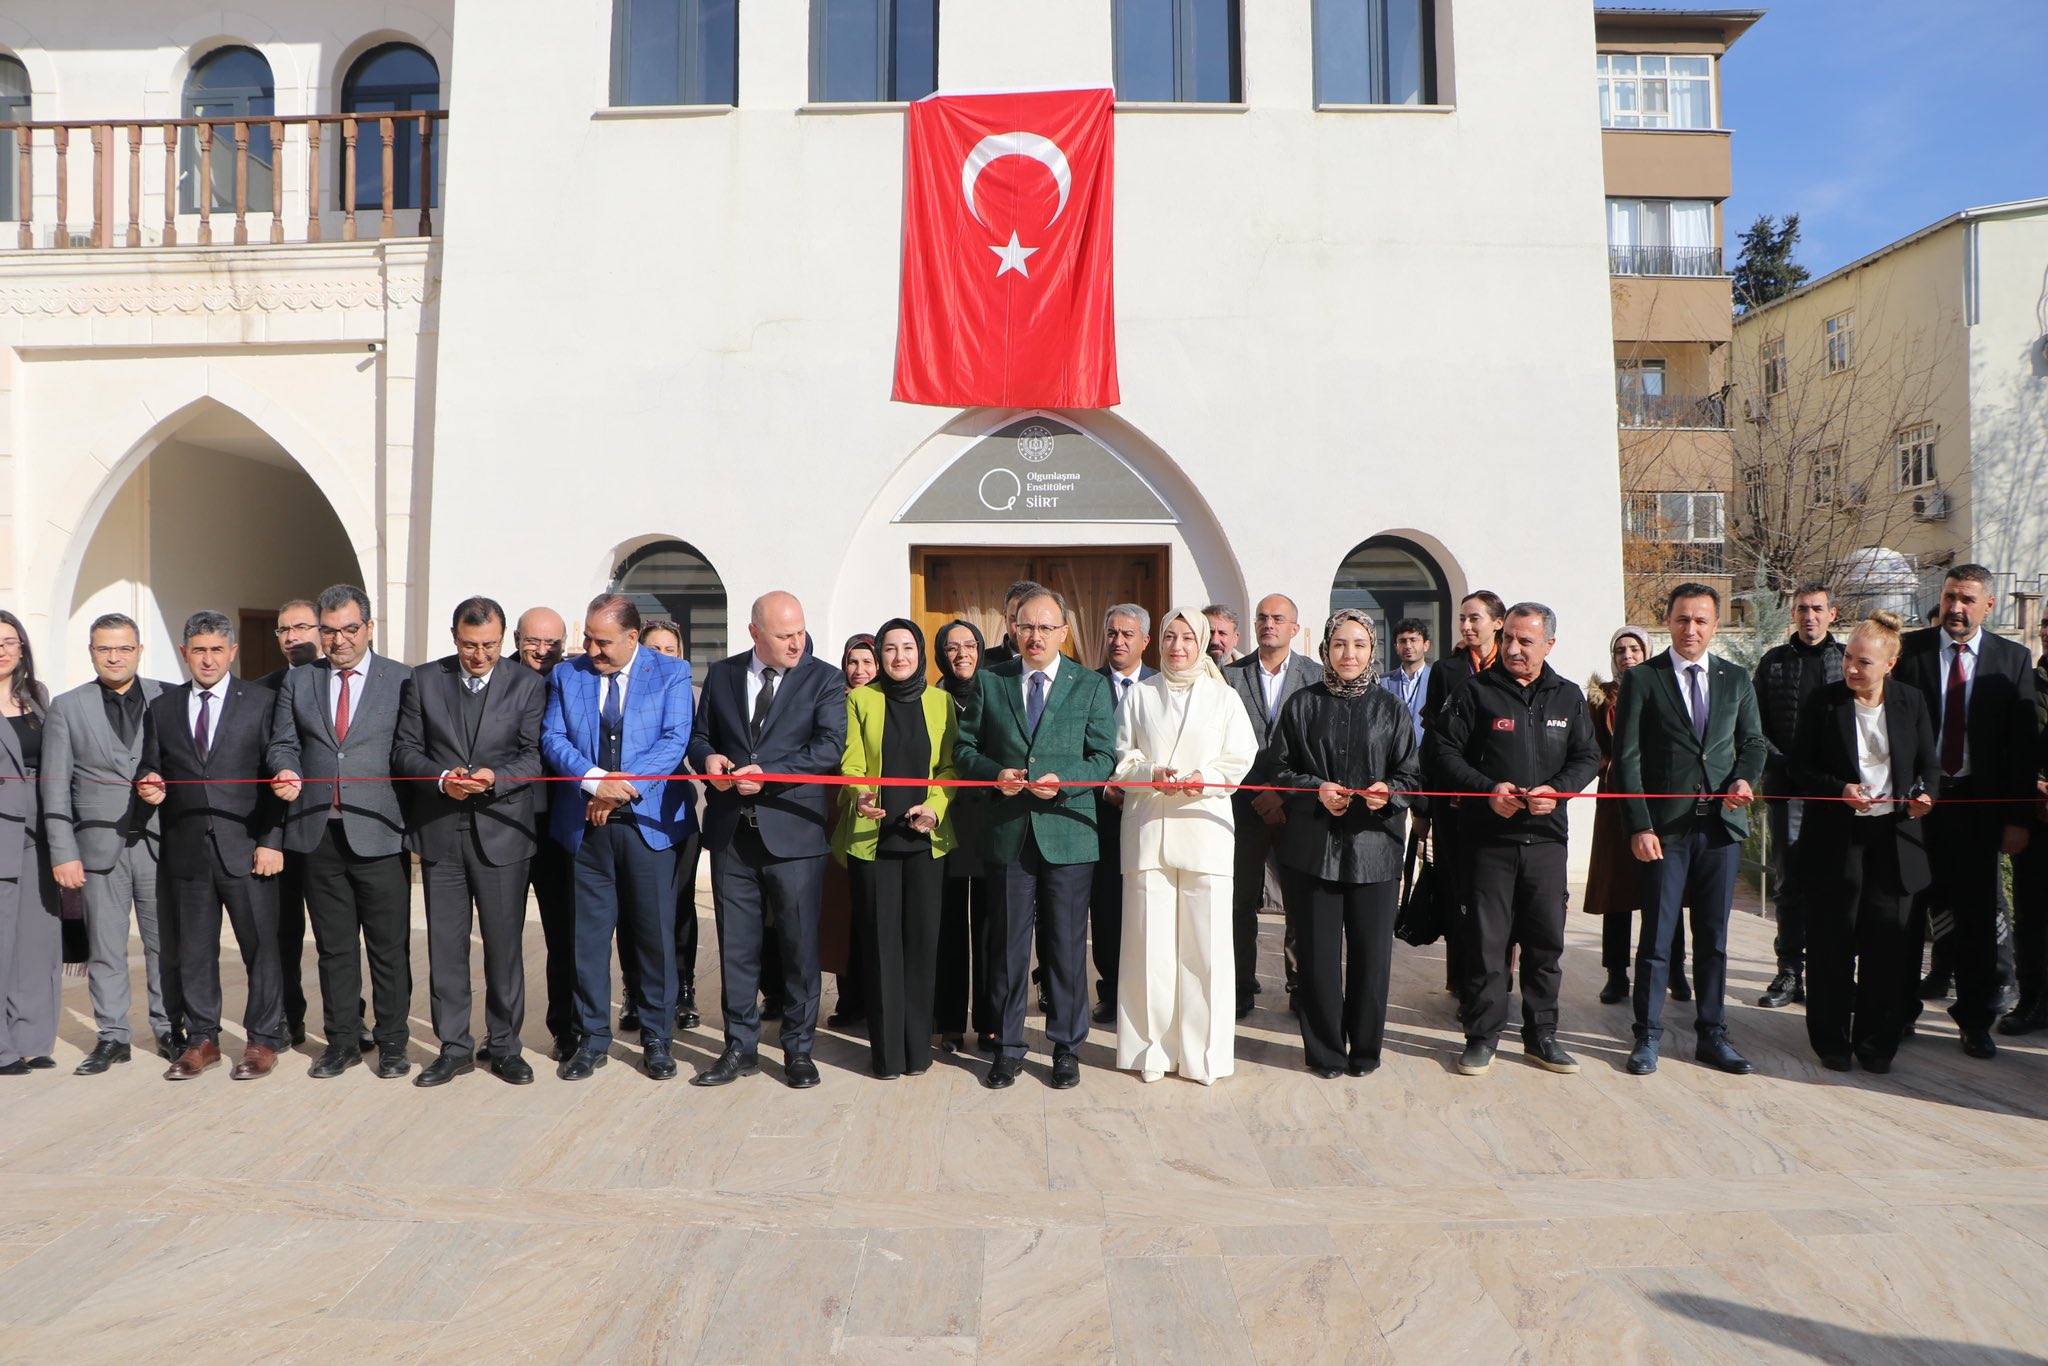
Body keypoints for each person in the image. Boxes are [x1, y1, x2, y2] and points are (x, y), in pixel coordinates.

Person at [1426, 602, 1599, 1076]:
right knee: (1486, 945)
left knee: (1545, 944)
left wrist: (1558, 791)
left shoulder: (1567, 697)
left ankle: (1542, 1036)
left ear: (1549, 645)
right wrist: (1487, 792)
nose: (1515, 649)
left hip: (1545, 841)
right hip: (1488, 842)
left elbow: (1587, 757)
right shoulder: (1473, 692)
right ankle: (1482, 1036)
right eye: (1509, 639)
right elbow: (1440, 752)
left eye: (1526, 641)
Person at [955, 587, 1116, 1090]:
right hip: (1008, 833)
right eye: (1027, 627)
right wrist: (993, 773)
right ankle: (1007, 1047)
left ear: (1064, 633)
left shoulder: (1089, 685)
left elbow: (1104, 756)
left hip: (1068, 832)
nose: (1036, 636)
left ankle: (1067, 1047)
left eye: (1047, 627)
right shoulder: (990, 681)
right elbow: (964, 750)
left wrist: (1063, 781)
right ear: (1013, 630)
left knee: (1066, 948)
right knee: (1007, 947)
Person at [688, 591, 845, 1088]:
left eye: (800, 631)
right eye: (784, 635)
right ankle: (740, 1047)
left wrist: (770, 774)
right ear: (755, 633)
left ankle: (798, 1048)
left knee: (799, 948)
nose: (797, 642)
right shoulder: (723, 674)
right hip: (733, 833)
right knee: (736, 946)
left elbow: (828, 748)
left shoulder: (824, 678)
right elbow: (699, 737)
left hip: (795, 834)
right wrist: (708, 760)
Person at [1611, 582, 1767, 1077]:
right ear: (1669, 621)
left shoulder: (1736, 679)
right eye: (1682, 619)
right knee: (1657, 937)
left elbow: (1754, 742)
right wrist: (1639, 824)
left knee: (1714, 938)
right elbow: (1627, 760)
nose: (1691, 629)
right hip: (1666, 831)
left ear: (1715, 625)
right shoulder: (1644, 679)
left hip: (1719, 830)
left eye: (1701, 620)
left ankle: (1712, 1033)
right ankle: (1647, 1036)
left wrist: (1745, 777)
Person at [393, 596, 548, 1087]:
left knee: (503, 948)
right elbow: (404, 750)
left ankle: (504, 1046)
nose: (479, 655)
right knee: (446, 947)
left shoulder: (526, 684)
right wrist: (441, 779)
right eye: (468, 645)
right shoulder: (423, 680)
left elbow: (533, 758)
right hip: (441, 831)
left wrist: (494, 778)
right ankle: (454, 1047)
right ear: (453, 637)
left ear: (503, 640)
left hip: (502, 832)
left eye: (489, 645)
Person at [541, 593, 695, 1081]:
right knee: (588, 940)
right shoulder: (569, 675)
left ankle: (656, 1037)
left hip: (648, 825)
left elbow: (674, 740)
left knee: (653, 937)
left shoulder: (670, 673)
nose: (592, 648)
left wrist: (618, 790)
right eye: (587, 637)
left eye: (603, 640)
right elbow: (553, 738)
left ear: (632, 637)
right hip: (586, 829)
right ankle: (591, 1039)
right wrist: (593, 780)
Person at [267, 584, 413, 1080]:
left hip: (378, 830)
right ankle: (343, 1040)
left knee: (388, 947)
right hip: (316, 833)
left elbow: (410, 750)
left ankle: (393, 1042)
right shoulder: (300, 681)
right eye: (328, 631)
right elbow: (283, 744)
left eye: (350, 629)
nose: (339, 640)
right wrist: (284, 769)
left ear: (369, 629)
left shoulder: (400, 679)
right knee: (334, 948)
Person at [136, 612, 289, 1081]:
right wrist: (148, 784)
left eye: (216, 650)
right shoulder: (162, 707)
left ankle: (263, 1039)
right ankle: (203, 1039)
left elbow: (278, 772)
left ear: (232, 652)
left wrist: (271, 840)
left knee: (261, 948)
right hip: (187, 852)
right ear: (186, 653)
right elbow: (150, 766)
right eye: (198, 650)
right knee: (195, 950)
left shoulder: (262, 703)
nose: (207, 659)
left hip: (247, 849)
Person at [1269, 609, 1421, 1078]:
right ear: (1326, 650)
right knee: (1316, 958)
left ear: (1373, 650)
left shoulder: (1390, 708)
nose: (1348, 654)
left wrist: (1388, 794)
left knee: (1371, 959)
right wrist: (1315, 788)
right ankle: (1325, 1051)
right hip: (1313, 850)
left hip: (1375, 850)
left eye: (1358, 644)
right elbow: (1277, 768)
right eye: (1339, 644)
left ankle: (1365, 1051)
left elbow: (1412, 776)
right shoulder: (1302, 704)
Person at [1895, 564, 2038, 1059]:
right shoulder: (1909, 653)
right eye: (1951, 596)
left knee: (1977, 919)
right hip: (1915, 809)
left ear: (1989, 606)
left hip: (1979, 809)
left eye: (1968, 600)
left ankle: (1975, 1020)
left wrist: (2017, 818)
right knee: (1908, 913)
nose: (1957, 608)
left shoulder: (2012, 660)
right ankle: (1899, 1011)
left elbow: (2021, 747)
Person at [1111, 607, 1257, 1084]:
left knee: (1207, 950)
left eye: (1187, 638)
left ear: (1201, 643)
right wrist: (1148, 773)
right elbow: (1120, 755)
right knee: (1148, 949)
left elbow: (1240, 757)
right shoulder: (1139, 696)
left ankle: (1204, 1056)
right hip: (1149, 829)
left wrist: (1205, 779)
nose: (1177, 646)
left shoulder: (1224, 697)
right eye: (1170, 637)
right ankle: (1149, 1052)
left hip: (1206, 829)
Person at [1790, 611, 1938, 1072]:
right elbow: (1797, 769)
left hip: (1894, 839)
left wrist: (1925, 797)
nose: (1852, 669)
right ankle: (1831, 1040)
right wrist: (1839, 790)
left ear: (1890, 665)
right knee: (1833, 944)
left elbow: (1930, 766)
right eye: (1849, 659)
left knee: (1887, 947)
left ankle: (1877, 1041)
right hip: (1837, 838)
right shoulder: (1822, 702)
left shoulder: (1912, 702)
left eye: (1864, 663)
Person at [44, 613, 173, 1071]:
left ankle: (168, 1028)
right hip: (98, 849)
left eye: (123, 648)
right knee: (105, 947)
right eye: (104, 648)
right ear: (92, 652)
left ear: (139, 650)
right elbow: (55, 786)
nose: (114, 656)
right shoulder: (67, 706)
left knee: (165, 944)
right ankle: (113, 1034)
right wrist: (63, 852)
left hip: (160, 843)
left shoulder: (169, 697)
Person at [836, 619, 956, 1079]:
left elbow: (949, 768)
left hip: (925, 841)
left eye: (908, 647)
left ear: (921, 653)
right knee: (882, 948)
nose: (900, 656)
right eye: (890, 648)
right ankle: (886, 1055)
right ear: (879, 654)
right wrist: (861, 795)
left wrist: (936, 806)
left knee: (922, 947)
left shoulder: (941, 701)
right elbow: (851, 761)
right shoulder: (862, 699)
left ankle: (917, 1052)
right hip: (875, 841)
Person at [1222, 594, 1320, 1018]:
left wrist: (1281, 792)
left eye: (1278, 618)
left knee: (1299, 902)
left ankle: (1299, 987)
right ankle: (1240, 986)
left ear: (1294, 628)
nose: (1269, 624)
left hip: (1297, 808)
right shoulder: (1229, 677)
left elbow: (1316, 747)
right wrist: (1258, 791)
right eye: (1262, 617)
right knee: (1239, 901)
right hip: (1244, 807)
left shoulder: (1315, 677)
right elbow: (1222, 743)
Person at [1751, 581, 1845, 1010]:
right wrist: (1785, 765)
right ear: (1794, 614)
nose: (1809, 616)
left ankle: (1834, 973)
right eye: (1802, 609)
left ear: (1832, 613)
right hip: (1787, 791)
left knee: (1836, 884)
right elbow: (1754, 727)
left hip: (1836, 796)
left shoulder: (1847, 662)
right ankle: (1789, 972)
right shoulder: (1773, 664)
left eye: (1817, 609)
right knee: (1790, 885)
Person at [1583, 626, 1686, 1004]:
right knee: (1618, 891)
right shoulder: (1599, 700)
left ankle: (1675, 969)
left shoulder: (1667, 688)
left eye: (1634, 649)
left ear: (1647, 653)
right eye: (1620, 650)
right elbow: (1590, 747)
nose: (1627, 655)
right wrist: (1609, 763)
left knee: (1665, 889)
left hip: (1659, 801)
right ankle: (1616, 973)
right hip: (1615, 803)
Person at [1422, 590, 1507, 993]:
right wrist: (1423, 804)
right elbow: (1432, 739)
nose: (1467, 626)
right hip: (1453, 800)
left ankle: (1496, 981)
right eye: (1462, 619)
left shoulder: (1515, 666)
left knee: (1498, 895)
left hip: (1501, 799)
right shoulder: (1446, 669)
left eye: (1475, 619)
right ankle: (1460, 979)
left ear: (1498, 622)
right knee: (1458, 890)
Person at [513, 605, 582, 1061]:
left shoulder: (575, 678)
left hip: (560, 827)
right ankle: (502, 1033)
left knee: (566, 936)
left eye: (552, 642)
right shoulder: (499, 681)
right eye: (533, 641)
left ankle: (568, 1029)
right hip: (509, 823)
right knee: (503, 937)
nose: (543, 651)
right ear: (515, 640)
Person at [632, 620, 706, 1032]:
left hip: (680, 816)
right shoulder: (625, 695)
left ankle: (684, 989)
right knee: (635, 909)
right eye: (653, 649)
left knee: (679, 905)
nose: (662, 656)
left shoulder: (693, 696)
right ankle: (634, 990)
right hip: (635, 812)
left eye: (670, 650)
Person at [932, 620, 997, 1054]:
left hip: (992, 824)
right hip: (944, 823)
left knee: (993, 929)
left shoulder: (997, 690)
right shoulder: (930, 697)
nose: (962, 655)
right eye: (952, 648)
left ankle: (991, 1023)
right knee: (948, 928)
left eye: (970, 646)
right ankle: (949, 1025)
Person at [0, 611, 60, 1077]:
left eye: (9, 640)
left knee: (38, 942)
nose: (2, 648)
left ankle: (34, 1039)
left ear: (22, 647)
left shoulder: (38, 698)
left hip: (39, 834)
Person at [1090, 604, 1155, 1025]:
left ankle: (1147, 995)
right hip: (1100, 815)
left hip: (1151, 814)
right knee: (1108, 908)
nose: (1118, 641)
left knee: (1149, 906)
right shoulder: (1085, 684)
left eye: (1128, 634)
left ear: (1145, 641)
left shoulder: (1162, 685)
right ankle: (1111, 992)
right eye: (1112, 633)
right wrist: (1104, 787)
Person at [261, 598, 320, 1046]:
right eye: (284, 630)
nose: (293, 636)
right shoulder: (262, 691)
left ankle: (349, 1016)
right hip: (281, 831)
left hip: (332, 829)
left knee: (339, 936)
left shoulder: (343, 683)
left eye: (302, 626)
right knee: (283, 933)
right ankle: (288, 1018)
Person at [824, 633, 879, 1029]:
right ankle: (850, 1000)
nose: (859, 671)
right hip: (838, 814)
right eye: (852, 662)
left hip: (877, 817)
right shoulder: (833, 702)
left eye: (867, 662)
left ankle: (875, 998)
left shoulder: (887, 703)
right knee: (842, 915)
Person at [2004, 617, 2048, 1037]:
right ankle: (2032, 1000)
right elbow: (2013, 749)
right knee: (2032, 918)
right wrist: (2032, 785)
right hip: (2034, 823)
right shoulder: (2026, 684)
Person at [1382, 617, 1432, 744]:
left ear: (1426, 645)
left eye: (1413, 640)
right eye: (1403, 641)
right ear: (1396, 647)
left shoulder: (1437, 679)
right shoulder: (1382, 682)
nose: (1408, 646)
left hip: (1427, 756)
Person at [981, 580, 1043, 668]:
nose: (1020, 629)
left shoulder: (1064, 668)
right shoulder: (982, 664)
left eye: (1028, 622)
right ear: (1005, 618)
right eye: (1014, 619)